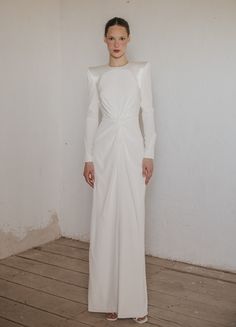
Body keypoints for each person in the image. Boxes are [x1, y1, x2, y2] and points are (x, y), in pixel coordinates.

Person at [83, 17, 156, 324]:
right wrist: (87, 158)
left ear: (129, 39)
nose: (116, 44)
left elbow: (148, 111)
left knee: (132, 219)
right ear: (104, 40)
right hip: (104, 150)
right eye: (111, 38)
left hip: (133, 148)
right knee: (106, 219)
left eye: (121, 38)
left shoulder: (141, 70)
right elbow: (90, 116)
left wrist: (149, 153)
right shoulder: (94, 74)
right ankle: (111, 299)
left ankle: (134, 303)